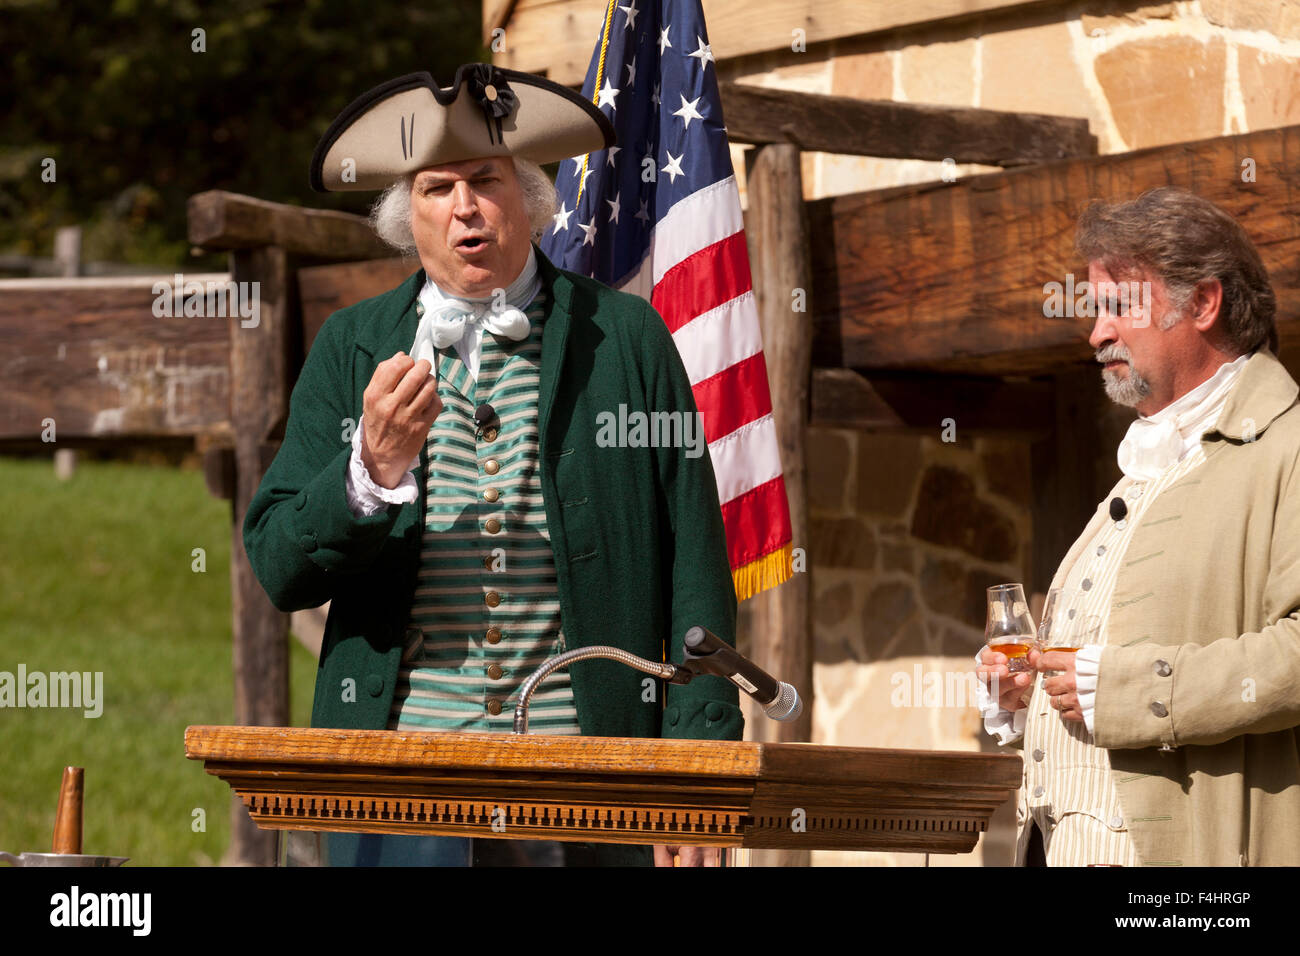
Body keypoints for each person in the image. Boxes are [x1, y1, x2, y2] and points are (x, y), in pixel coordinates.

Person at [243, 64, 743, 867]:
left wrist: (697, 770)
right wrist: (365, 470)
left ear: (533, 200)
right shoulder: (353, 345)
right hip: (401, 783)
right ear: (410, 215)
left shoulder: (625, 339)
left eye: (485, 180)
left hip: (589, 785)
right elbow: (278, 566)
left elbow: (695, 563)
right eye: (438, 188)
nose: (464, 208)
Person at [976, 186, 1300, 866]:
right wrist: (1029, 691)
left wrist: (1128, 690)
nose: (1096, 332)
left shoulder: (1288, 446)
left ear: (1204, 303)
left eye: (1120, 306)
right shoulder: (1150, 463)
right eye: (1097, 310)